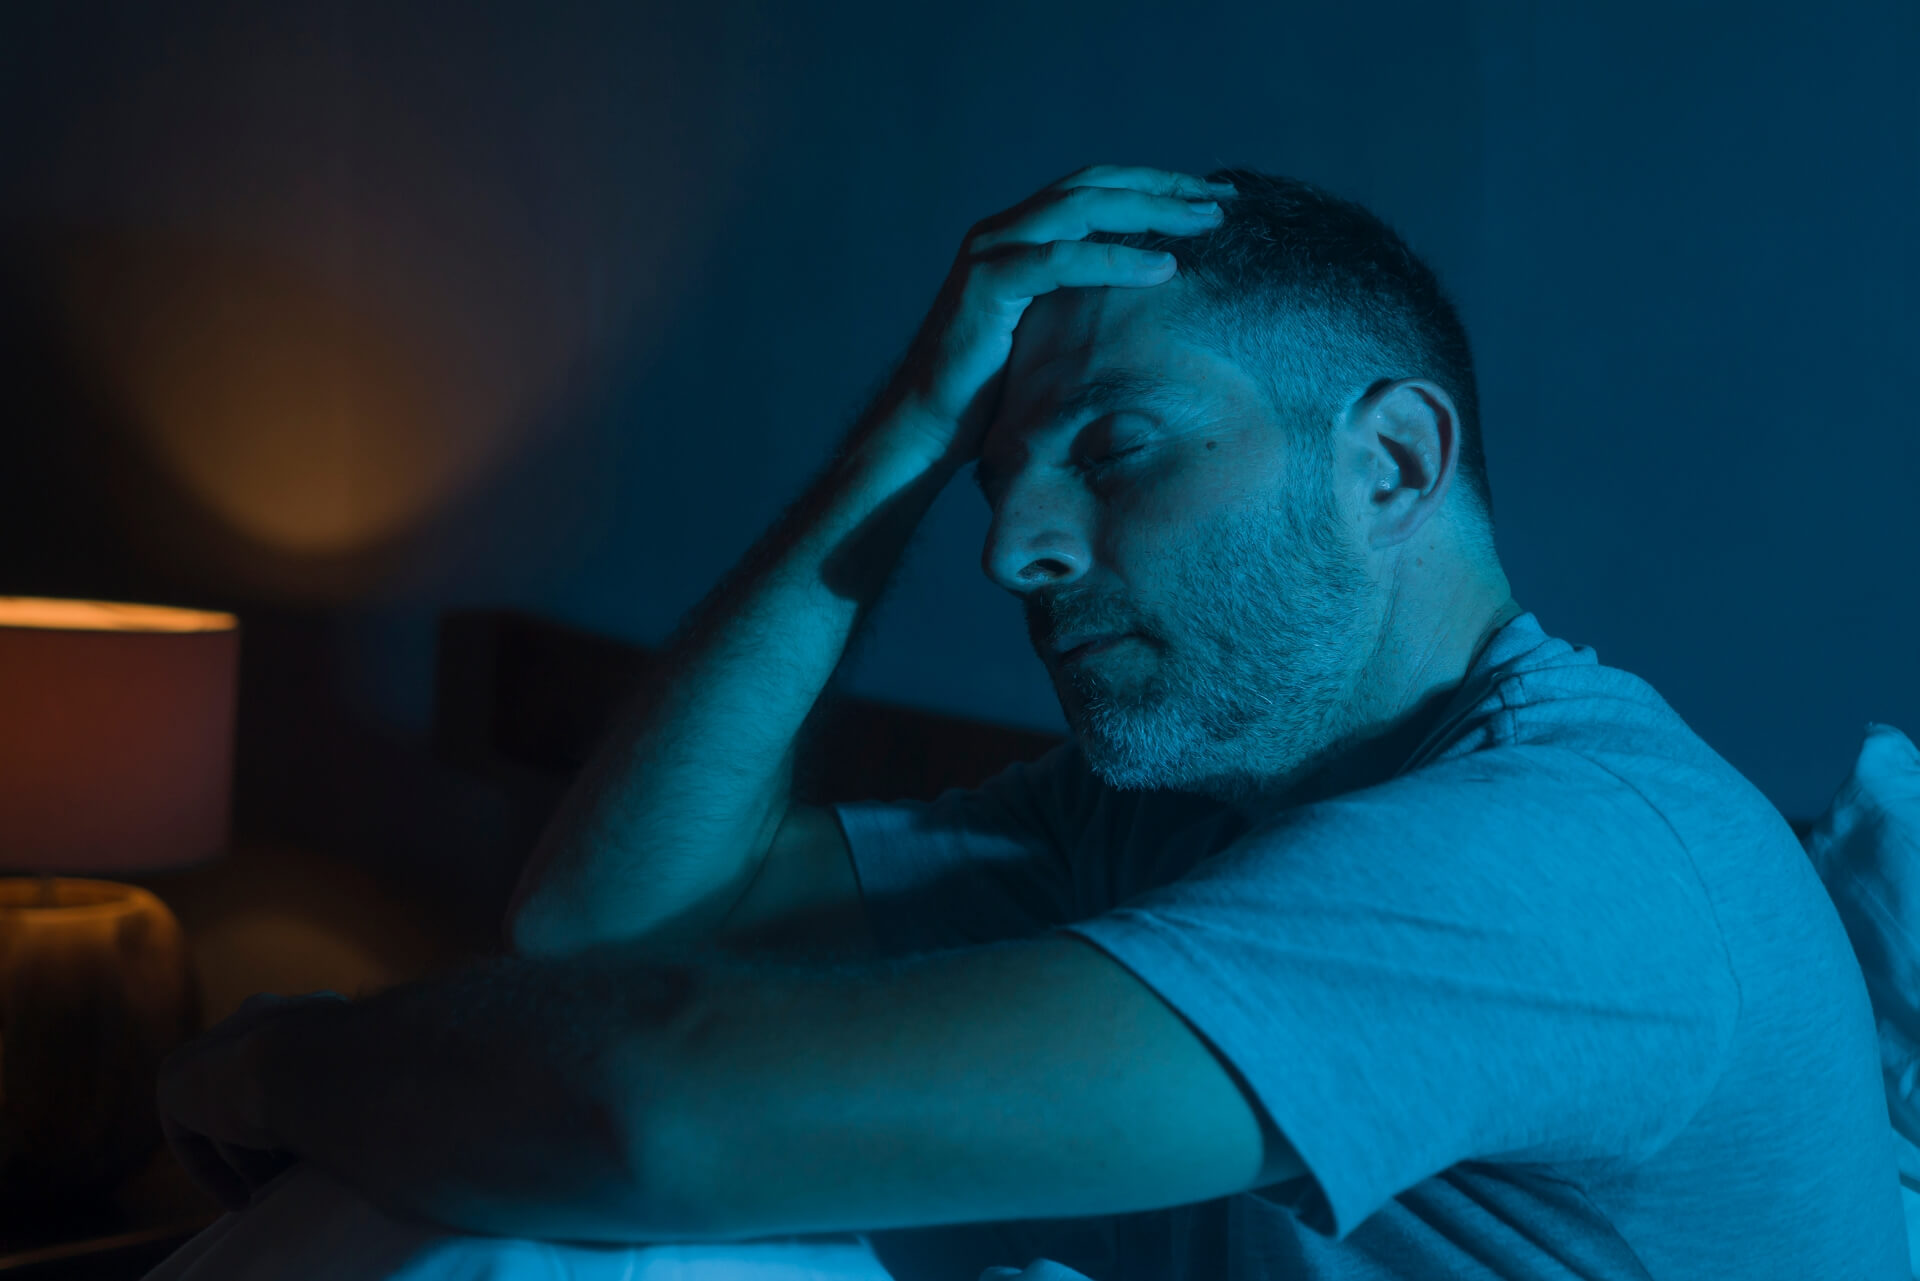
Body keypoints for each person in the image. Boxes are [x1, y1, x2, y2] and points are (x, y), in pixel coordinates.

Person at [158, 163, 1908, 1279]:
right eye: (992, 480)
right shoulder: (1164, 811)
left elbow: (661, 1119)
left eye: (1119, 446)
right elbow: (613, 917)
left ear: (1389, 464)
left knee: (541, 1222)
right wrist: (906, 432)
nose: (1016, 547)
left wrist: (283, 1063)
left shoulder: (1571, 863)